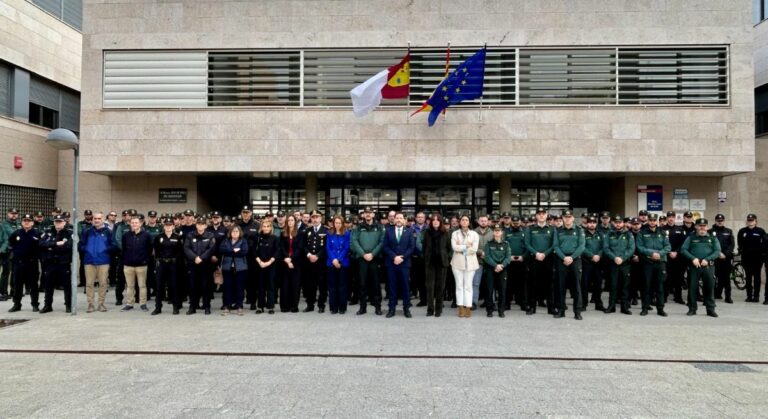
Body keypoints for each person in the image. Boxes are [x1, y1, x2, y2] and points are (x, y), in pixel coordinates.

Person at [680, 218, 721, 317]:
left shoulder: (712, 238)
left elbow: (717, 251)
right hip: (694, 266)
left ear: (707, 227)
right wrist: (693, 258)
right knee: (692, 288)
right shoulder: (691, 238)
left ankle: (710, 309)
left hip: (708, 266)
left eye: (704, 226)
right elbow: (683, 250)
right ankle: (692, 309)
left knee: (709, 288)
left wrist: (707, 259)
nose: (702, 228)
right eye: (700, 226)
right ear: (696, 227)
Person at [350, 206, 384, 315]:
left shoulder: (380, 227)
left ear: (373, 214)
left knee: (376, 284)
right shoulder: (358, 227)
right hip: (362, 259)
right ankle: (362, 308)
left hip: (375, 259)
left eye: (370, 212)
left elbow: (382, 242)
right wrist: (363, 254)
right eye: (366, 212)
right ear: (363, 215)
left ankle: (378, 307)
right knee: (362, 284)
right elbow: (355, 241)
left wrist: (372, 254)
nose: (368, 214)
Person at [635, 214, 671, 317]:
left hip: (660, 262)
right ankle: (645, 308)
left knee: (660, 287)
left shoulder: (663, 232)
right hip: (647, 263)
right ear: (648, 221)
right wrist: (651, 253)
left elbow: (668, 247)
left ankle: (660, 309)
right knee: (646, 286)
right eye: (650, 220)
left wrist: (659, 254)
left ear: (657, 221)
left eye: (654, 220)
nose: (652, 222)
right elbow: (639, 247)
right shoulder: (642, 232)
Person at [79, 212, 114, 313]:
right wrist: (87, 249)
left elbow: (114, 245)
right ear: (92, 219)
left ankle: (101, 304)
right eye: (95, 218)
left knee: (103, 283)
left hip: (103, 261)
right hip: (89, 261)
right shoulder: (87, 231)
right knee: (89, 284)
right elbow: (80, 245)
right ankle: (90, 304)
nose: (97, 220)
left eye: (99, 218)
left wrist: (104, 249)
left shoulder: (108, 231)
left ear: (103, 219)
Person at [553, 210, 585, 320]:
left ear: (573, 218)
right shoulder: (558, 231)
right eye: (565, 217)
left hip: (575, 260)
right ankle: (561, 310)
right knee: (561, 286)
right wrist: (564, 257)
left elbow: (581, 246)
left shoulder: (579, 230)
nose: (567, 219)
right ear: (562, 218)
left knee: (576, 287)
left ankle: (577, 312)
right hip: (562, 260)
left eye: (569, 217)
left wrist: (572, 257)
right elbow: (556, 246)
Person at [7, 214, 42, 312]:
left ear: (32, 222)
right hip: (19, 263)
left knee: (33, 285)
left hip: (32, 264)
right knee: (17, 285)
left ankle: (35, 304)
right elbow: (11, 244)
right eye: (24, 220)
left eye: (29, 220)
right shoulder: (16, 233)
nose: (26, 222)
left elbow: (42, 246)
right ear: (22, 222)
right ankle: (17, 304)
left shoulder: (37, 233)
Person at [383, 212, 415, 318]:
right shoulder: (388, 231)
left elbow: (411, 247)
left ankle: (406, 309)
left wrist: (402, 257)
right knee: (392, 287)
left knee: (405, 286)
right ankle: (391, 309)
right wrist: (394, 257)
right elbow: (385, 246)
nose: (398, 220)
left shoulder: (409, 231)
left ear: (404, 220)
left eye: (401, 218)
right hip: (391, 263)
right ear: (394, 219)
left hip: (404, 263)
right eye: (397, 218)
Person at [38, 215, 73, 313]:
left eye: (60, 221)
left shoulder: (69, 233)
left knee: (67, 286)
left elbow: (69, 246)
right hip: (50, 263)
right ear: (54, 222)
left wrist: (51, 247)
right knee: (48, 285)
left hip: (63, 263)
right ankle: (47, 305)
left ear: (64, 223)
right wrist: (56, 244)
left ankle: (68, 305)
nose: (58, 223)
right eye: (56, 221)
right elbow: (41, 244)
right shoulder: (48, 232)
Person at [525, 207, 555, 315]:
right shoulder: (530, 228)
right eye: (539, 214)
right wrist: (536, 253)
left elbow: (554, 244)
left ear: (546, 215)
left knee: (549, 284)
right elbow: (527, 244)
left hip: (548, 259)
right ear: (536, 216)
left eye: (543, 214)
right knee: (533, 284)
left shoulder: (552, 229)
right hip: (534, 259)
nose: (541, 215)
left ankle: (551, 308)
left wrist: (545, 254)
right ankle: (532, 307)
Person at [603, 216, 635, 315]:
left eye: (620, 222)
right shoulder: (609, 234)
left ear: (623, 223)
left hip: (625, 264)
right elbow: (606, 248)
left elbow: (631, 248)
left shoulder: (628, 234)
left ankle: (624, 307)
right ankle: (611, 306)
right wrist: (614, 258)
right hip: (613, 263)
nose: (618, 224)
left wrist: (622, 258)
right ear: (613, 223)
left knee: (625, 286)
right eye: (616, 222)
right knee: (613, 285)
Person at [152, 218, 184, 315]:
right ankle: (158, 307)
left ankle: (175, 307)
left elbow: (180, 252)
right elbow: (156, 251)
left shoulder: (178, 237)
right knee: (159, 286)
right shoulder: (158, 237)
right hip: (161, 264)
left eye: (170, 225)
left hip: (173, 265)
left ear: (173, 226)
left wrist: (177, 263)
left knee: (174, 286)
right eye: (166, 225)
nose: (168, 227)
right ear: (164, 226)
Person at [184, 217, 215, 315]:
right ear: (196, 225)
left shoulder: (210, 235)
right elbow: (186, 248)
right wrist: (195, 257)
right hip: (193, 264)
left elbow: (211, 249)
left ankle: (207, 306)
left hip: (205, 264)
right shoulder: (190, 235)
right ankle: (192, 307)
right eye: (199, 224)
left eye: (202, 224)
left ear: (205, 225)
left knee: (206, 286)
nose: (200, 226)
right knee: (193, 286)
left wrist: (201, 258)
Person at [450, 214, 479, 318]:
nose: (464, 221)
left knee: (468, 286)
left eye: (466, 220)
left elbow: (474, 249)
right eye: (463, 220)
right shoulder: (455, 233)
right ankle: (461, 308)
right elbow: (454, 247)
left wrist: (461, 247)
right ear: (460, 222)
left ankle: (468, 308)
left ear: (469, 222)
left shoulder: (474, 234)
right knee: (459, 285)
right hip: (457, 263)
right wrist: (466, 246)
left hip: (471, 264)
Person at [121, 217, 152, 312]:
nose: (134, 224)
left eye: (136, 223)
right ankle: (129, 304)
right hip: (128, 265)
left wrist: (145, 260)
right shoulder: (126, 235)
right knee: (129, 286)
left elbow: (149, 249)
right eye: (132, 223)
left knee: (142, 286)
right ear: (130, 224)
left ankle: (143, 304)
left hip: (141, 265)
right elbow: (123, 249)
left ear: (140, 224)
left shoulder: (146, 235)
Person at [423, 214, 450, 317]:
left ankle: (438, 309)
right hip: (430, 263)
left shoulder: (445, 233)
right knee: (430, 287)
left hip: (442, 263)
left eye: (437, 220)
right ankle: (430, 309)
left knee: (440, 287)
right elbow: (424, 247)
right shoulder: (427, 232)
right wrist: (426, 256)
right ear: (431, 222)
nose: (435, 221)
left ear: (440, 222)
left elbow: (448, 247)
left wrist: (444, 256)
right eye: (433, 220)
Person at [301, 210, 328, 313]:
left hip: (321, 262)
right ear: (310, 219)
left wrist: (317, 256)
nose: (315, 219)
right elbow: (303, 245)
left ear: (321, 218)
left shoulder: (326, 230)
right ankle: (310, 305)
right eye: (313, 217)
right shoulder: (307, 230)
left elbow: (326, 246)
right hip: (309, 262)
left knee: (322, 285)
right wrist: (309, 255)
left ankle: (321, 305)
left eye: (317, 217)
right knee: (310, 284)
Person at [219, 225, 248, 316]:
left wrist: (230, 252)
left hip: (240, 268)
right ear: (230, 233)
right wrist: (234, 250)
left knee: (240, 288)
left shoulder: (243, 241)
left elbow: (244, 252)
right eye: (233, 231)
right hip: (227, 267)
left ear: (240, 233)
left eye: (236, 231)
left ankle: (239, 306)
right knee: (227, 288)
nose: (235, 233)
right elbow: (221, 250)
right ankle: (227, 306)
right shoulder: (226, 240)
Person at [737, 214, 765, 303]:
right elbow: (740, 244)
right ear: (747, 221)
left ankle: (756, 296)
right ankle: (749, 296)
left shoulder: (761, 231)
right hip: (746, 258)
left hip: (757, 259)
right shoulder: (742, 231)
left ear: (756, 221)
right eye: (749, 220)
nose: (750, 222)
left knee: (757, 278)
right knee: (748, 278)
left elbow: (764, 243)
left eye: (752, 220)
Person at [484, 224, 511, 318]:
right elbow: (487, 257)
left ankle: (501, 311)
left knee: (502, 291)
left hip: (502, 269)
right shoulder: (489, 244)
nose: (497, 232)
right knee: (489, 290)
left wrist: (501, 265)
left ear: (501, 232)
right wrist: (495, 265)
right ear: (493, 232)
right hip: (491, 269)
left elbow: (508, 257)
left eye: (498, 231)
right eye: (495, 231)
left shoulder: (506, 244)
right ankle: (489, 310)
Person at [326, 215, 351, 314]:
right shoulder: (329, 233)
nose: (338, 225)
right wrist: (334, 260)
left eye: (340, 223)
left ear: (342, 223)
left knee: (342, 286)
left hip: (343, 263)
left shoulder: (347, 234)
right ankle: (333, 307)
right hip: (331, 262)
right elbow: (328, 248)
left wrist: (339, 259)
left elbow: (346, 248)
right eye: (336, 223)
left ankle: (342, 307)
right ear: (333, 223)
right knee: (332, 286)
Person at [662, 211, 687, 305]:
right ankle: (664, 297)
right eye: (669, 217)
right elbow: (661, 243)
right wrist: (668, 252)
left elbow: (683, 243)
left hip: (677, 257)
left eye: (672, 216)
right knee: (665, 278)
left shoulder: (680, 229)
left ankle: (678, 297)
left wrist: (676, 252)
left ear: (675, 218)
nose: (671, 218)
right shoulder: (661, 229)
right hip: (666, 257)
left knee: (678, 278)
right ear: (667, 218)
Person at [279, 215, 303, 313]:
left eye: (292, 220)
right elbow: (281, 247)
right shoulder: (283, 233)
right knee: (285, 285)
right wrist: (287, 259)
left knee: (295, 285)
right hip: (285, 262)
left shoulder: (300, 233)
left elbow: (300, 248)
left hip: (296, 262)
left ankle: (294, 306)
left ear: (295, 222)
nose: (290, 222)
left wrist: (291, 259)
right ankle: (285, 306)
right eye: (288, 220)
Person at [504, 215, 528, 311]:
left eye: (517, 223)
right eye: (514, 223)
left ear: (520, 222)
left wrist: (523, 256)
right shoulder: (506, 232)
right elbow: (504, 246)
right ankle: (507, 304)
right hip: (509, 261)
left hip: (521, 261)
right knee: (508, 283)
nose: (515, 225)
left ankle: (523, 303)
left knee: (522, 283)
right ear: (511, 222)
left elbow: (528, 246)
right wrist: (508, 257)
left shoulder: (525, 232)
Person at [254, 220, 278, 314]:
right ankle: (260, 306)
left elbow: (277, 251)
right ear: (261, 227)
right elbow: (254, 251)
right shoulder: (257, 237)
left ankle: (270, 307)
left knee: (271, 286)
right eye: (264, 226)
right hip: (260, 265)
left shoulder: (275, 238)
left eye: (268, 226)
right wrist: (260, 262)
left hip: (271, 265)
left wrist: (269, 262)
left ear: (271, 228)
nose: (266, 228)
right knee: (261, 286)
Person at [581, 215, 605, 311]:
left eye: (594, 223)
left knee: (598, 284)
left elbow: (604, 247)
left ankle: (598, 304)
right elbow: (582, 247)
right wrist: (591, 256)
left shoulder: (601, 234)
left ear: (596, 224)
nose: (592, 224)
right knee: (585, 284)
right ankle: (583, 303)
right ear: (586, 224)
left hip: (598, 263)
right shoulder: (583, 234)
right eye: (590, 223)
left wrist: (598, 255)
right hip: (586, 262)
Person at [710, 214, 734, 304]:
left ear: (724, 221)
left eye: (721, 221)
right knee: (713, 278)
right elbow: (709, 244)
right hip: (714, 258)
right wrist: (718, 253)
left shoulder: (728, 231)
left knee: (726, 279)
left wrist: (725, 254)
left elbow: (731, 245)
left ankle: (728, 297)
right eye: (718, 221)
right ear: (715, 221)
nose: (720, 222)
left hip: (725, 258)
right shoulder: (710, 231)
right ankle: (712, 295)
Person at [473, 214, 493, 311]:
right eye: (482, 221)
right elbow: (470, 246)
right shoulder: (473, 233)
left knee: (490, 283)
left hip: (490, 262)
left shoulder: (492, 233)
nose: (484, 222)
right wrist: (480, 252)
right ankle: (473, 302)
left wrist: (487, 254)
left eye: (485, 221)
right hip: (477, 261)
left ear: (488, 222)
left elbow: (495, 246)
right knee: (476, 283)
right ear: (478, 221)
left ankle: (490, 302)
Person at [0, 208, 18, 301]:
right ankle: (3, 292)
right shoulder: (4, 224)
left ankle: (13, 291)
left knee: (15, 272)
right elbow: (11, 234)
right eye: (12, 213)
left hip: (16, 251)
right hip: (6, 251)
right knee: (6, 272)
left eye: (15, 213)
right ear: (8, 214)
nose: (14, 215)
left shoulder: (19, 224)